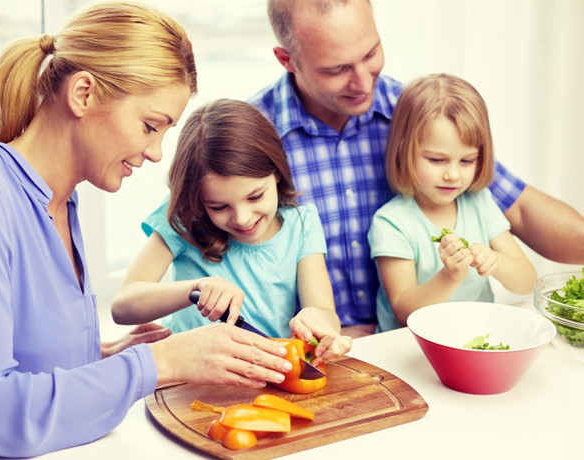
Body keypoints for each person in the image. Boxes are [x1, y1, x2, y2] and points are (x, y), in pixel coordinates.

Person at [0, 3, 294, 458]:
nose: (157, 153)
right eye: (149, 125)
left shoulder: (62, 202)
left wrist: (106, 355)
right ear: (83, 94)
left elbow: (27, 359)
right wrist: (158, 363)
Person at [249, 0, 584, 336]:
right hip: (310, 347)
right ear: (287, 60)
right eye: (337, 69)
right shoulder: (252, 136)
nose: (364, 83)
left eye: (371, 54)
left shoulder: (418, 114)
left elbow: (519, 210)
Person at [111, 98, 352, 358]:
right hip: (189, 373)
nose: (242, 218)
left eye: (255, 197)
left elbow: (325, 311)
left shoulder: (301, 224)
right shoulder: (184, 219)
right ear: (199, 201)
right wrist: (195, 288)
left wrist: (317, 318)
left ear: (277, 172)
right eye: (218, 207)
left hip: (265, 371)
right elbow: (123, 306)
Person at [367, 74, 537, 331]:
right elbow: (404, 311)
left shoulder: (479, 203)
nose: (453, 175)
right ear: (404, 152)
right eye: (437, 160)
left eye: (467, 161)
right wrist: (449, 276)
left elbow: (528, 281)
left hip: (475, 339)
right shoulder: (392, 222)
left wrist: (496, 262)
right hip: (407, 349)